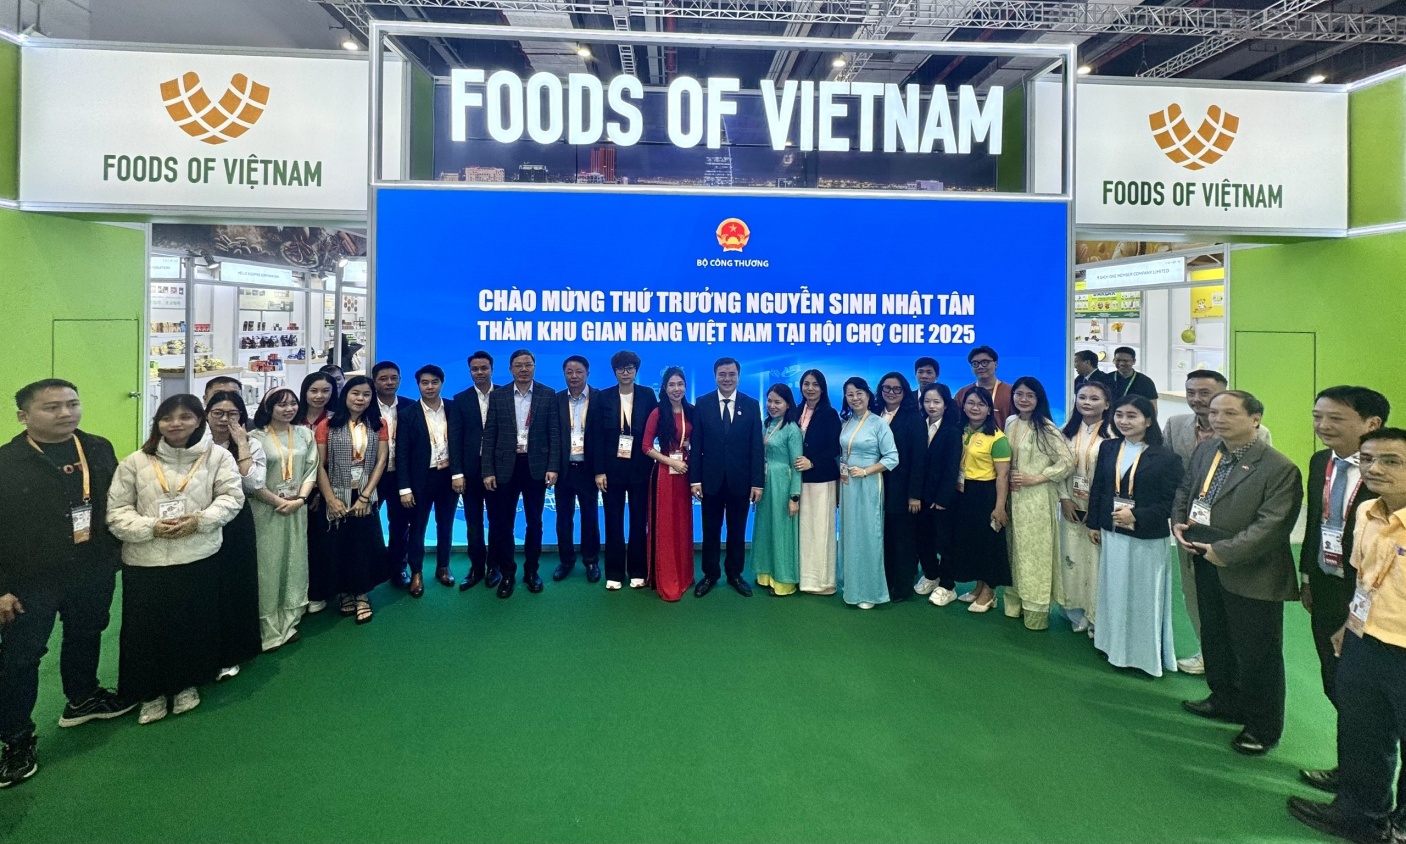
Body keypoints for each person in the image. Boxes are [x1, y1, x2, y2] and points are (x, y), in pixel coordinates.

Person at [0, 380, 131, 788]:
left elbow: (115, 500)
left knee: (86, 633)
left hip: (91, 568)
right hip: (28, 580)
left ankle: (83, 698)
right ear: (23, 416)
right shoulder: (6, 462)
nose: (66, 413)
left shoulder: (97, 447)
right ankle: (16, 738)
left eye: (72, 404)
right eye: (52, 407)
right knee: (21, 658)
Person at [1286, 428, 1406, 844]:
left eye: (1391, 461)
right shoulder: (1368, 512)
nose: (1375, 468)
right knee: (1363, 733)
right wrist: (1348, 626)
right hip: (1363, 641)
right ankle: (1360, 815)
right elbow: (1365, 579)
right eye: (1368, 459)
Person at [1172, 390, 1303, 756]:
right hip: (1203, 555)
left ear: (1255, 419)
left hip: (1250, 570)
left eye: (1230, 413)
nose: (1218, 419)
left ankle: (1262, 727)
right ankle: (1224, 699)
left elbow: (1272, 525)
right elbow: (1186, 490)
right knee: (1216, 636)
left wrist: (1225, 552)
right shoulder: (1207, 451)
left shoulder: (1279, 467)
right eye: (1214, 412)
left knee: (1257, 652)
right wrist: (1179, 522)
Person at [107, 394, 244, 725]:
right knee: (144, 629)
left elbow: (231, 497)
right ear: (158, 423)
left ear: (198, 421)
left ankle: (186, 684)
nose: (176, 424)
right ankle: (150, 692)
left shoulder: (218, 457)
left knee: (192, 624)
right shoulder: (135, 462)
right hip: (145, 560)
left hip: (198, 555)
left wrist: (200, 521)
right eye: (167, 418)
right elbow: (117, 511)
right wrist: (150, 528)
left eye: (185, 417)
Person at [1297, 386, 1390, 793]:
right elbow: (1316, 523)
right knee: (1336, 682)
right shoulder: (1321, 461)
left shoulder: (1388, 475)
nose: (1323, 425)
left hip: (1372, 597)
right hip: (1327, 585)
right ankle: (1351, 769)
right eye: (1318, 416)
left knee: (1370, 695)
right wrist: (1307, 576)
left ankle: (1368, 783)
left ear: (1372, 424)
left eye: (1336, 418)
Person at [1164, 369, 1273, 675]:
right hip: (1189, 526)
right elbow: (1172, 476)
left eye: (1205, 393)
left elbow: (1258, 483)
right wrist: (1176, 518)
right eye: (1191, 393)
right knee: (1194, 591)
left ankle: (1234, 659)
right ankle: (1208, 651)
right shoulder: (1175, 425)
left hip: (1230, 529)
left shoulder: (1257, 434)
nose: (1197, 399)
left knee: (1232, 594)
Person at [1087, 395, 1183, 676]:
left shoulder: (1167, 458)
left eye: (1132, 416)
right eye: (1119, 415)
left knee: (1143, 597)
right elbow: (1099, 488)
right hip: (1112, 532)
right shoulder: (1109, 447)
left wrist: (1137, 515)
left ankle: (1143, 657)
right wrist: (1094, 523)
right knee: (1114, 590)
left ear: (1148, 420)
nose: (1124, 421)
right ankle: (1112, 645)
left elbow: (1171, 502)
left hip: (1146, 538)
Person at [482, 349, 560, 599]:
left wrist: (553, 466)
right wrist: (488, 470)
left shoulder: (548, 394)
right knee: (504, 523)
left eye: (528, 364)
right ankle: (508, 573)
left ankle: (531, 571)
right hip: (505, 467)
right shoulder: (499, 395)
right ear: (510, 369)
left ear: (534, 367)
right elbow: (490, 434)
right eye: (518, 365)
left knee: (534, 522)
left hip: (536, 467)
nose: (524, 369)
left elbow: (554, 434)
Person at [248, 387, 319, 652]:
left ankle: (289, 622)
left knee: (294, 562)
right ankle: (267, 629)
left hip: (296, 509)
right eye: (281, 404)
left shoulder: (304, 434)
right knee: (267, 566)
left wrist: (300, 499)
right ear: (268, 408)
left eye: (292, 404)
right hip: (266, 510)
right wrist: (279, 502)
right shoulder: (254, 438)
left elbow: (311, 470)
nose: (288, 409)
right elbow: (251, 481)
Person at [315, 376, 390, 624]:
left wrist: (366, 496)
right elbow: (319, 465)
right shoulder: (327, 425)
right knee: (338, 546)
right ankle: (344, 592)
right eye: (355, 393)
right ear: (345, 395)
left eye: (366, 395)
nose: (360, 399)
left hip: (365, 495)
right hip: (336, 495)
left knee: (363, 546)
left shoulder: (378, 424)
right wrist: (330, 499)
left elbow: (381, 461)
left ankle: (361, 595)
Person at [689, 357, 765, 598]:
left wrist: (757, 482)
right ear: (715, 376)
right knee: (710, 530)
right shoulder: (702, 403)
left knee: (737, 530)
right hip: (710, 481)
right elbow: (697, 445)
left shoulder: (751, 405)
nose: (727, 378)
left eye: (732, 374)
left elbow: (756, 447)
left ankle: (735, 574)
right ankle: (710, 574)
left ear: (738, 376)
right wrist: (695, 479)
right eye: (722, 374)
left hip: (740, 481)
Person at [1004, 377, 1075, 631]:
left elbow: (1067, 462)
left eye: (1029, 395)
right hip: (1012, 498)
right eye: (1019, 394)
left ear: (1038, 399)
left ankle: (1035, 612)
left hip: (1037, 500)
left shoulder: (1046, 428)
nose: (1023, 399)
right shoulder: (1010, 422)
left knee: (1035, 554)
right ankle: (1014, 603)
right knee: (1013, 550)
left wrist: (1037, 477)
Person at [203, 391, 264, 681]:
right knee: (205, 586)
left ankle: (234, 652)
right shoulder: (194, 442)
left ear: (242, 417)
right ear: (206, 415)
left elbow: (252, 483)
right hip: (201, 518)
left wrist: (241, 444)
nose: (224, 419)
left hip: (236, 520)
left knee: (236, 584)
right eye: (218, 413)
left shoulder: (251, 443)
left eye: (232, 414)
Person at [593, 351, 657, 590]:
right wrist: (599, 471)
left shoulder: (648, 395)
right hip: (612, 470)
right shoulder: (603, 397)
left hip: (641, 468)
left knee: (639, 521)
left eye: (630, 368)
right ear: (614, 372)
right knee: (613, 521)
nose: (626, 372)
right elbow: (597, 437)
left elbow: (659, 426)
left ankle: (638, 571)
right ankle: (614, 573)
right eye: (621, 368)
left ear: (636, 370)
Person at [394, 365, 459, 597]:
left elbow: (459, 444)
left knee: (446, 524)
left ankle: (443, 567)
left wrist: (459, 474)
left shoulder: (453, 408)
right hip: (420, 480)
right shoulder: (407, 414)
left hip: (448, 477)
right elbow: (402, 454)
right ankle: (417, 572)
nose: (429, 387)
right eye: (424, 382)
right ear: (418, 385)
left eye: (434, 382)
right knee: (418, 527)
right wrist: (404, 488)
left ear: (442, 383)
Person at [1058, 380, 1115, 635]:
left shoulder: (1114, 434)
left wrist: (1099, 508)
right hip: (1071, 505)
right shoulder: (1065, 432)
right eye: (1082, 397)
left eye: (1094, 398)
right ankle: (1075, 611)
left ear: (1107, 404)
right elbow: (1058, 469)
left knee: (1097, 562)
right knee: (1071, 557)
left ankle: (1096, 615)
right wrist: (1064, 498)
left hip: (1100, 508)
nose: (1087, 403)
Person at [837, 377, 899, 609]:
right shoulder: (847, 421)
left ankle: (870, 592)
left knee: (868, 535)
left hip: (868, 484)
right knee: (850, 534)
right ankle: (852, 585)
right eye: (850, 394)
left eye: (859, 393)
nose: (855, 398)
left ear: (868, 395)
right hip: (848, 485)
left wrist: (866, 471)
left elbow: (892, 457)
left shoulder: (878, 423)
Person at [952, 387, 1012, 613]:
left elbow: (1003, 476)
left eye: (981, 404)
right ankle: (979, 586)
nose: (975, 408)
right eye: (971, 403)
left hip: (986, 493)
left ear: (989, 409)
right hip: (964, 492)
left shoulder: (997, 438)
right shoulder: (961, 431)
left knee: (989, 543)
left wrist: (999, 507)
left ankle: (990, 591)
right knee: (973, 542)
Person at [448, 351, 500, 591]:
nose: (480, 372)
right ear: (470, 372)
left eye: (484, 368)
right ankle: (476, 567)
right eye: (475, 369)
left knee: (498, 521)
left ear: (492, 369)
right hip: (470, 472)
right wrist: (457, 473)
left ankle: (494, 566)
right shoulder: (461, 399)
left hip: (499, 471)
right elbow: (455, 438)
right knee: (473, 523)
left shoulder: (505, 394)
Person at [643, 367, 695, 602]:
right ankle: (666, 578)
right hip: (665, 474)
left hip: (685, 474)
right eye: (672, 385)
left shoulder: (691, 411)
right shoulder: (657, 412)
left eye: (680, 384)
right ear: (664, 388)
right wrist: (670, 461)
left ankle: (684, 575)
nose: (677, 389)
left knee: (682, 525)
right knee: (665, 526)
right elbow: (646, 447)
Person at [874, 372, 927, 602]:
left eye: (897, 389)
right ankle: (884, 581)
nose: (891, 393)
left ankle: (903, 587)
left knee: (902, 540)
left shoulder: (914, 418)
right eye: (887, 388)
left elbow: (919, 459)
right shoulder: (874, 413)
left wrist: (914, 495)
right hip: (876, 485)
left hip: (902, 489)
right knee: (883, 536)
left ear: (905, 392)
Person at [914, 382, 964, 606]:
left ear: (946, 404)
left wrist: (942, 498)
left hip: (942, 498)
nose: (931, 406)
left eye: (936, 401)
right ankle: (931, 575)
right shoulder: (918, 425)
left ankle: (947, 585)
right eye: (927, 401)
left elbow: (952, 468)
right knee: (922, 538)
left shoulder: (953, 431)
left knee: (945, 543)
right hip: (920, 496)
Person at [552, 355, 601, 584]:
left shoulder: (599, 398)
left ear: (587, 373)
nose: (574, 376)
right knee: (563, 518)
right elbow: (552, 436)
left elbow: (604, 438)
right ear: (564, 374)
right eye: (569, 372)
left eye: (579, 372)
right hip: (564, 469)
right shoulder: (556, 399)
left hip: (588, 469)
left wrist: (600, 469)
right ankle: (566, 560)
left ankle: (591, 561)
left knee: (590, 517)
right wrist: (552, 467)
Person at [794, 369, 842, 596]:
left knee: (820, 530)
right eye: (806, 384)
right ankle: (802, 578)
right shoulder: (795, 411)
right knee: (803, 531)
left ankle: (822, 582)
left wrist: (812, 462)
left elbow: (834, 448)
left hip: (822, 480)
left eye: (815, 384)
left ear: (822, 388)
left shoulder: (830, 414)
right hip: (798, 480)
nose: (810, 388)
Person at [752, 384, 803, 596]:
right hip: (765, 485)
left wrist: (794, 497)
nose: (772, 406)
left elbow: (797, 466)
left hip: (783, 485)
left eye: (778, 402)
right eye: (770, 401)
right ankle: (765, 575)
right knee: (765, 529)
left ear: (788, 404)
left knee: (782, 532)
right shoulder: (767, 424)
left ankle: (784, 582)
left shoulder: (792, 430)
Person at [295, 371, 337, 613]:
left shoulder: (336, 419)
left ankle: (317, 592)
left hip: (324, 490)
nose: (319, 396)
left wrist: (322, 493)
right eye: (314, 390)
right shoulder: (292, 416)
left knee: (319, 543)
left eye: (325, 391)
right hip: (290, 490)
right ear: (305, 392)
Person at [372, 361, 415, 590]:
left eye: (393, 378)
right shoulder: (366, 406)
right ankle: (369, 569)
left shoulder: (410, 406)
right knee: (368, 524)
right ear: (374, 381)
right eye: (383, 378)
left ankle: (398, 568)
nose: (389, 382)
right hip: (371, 477)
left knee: (400, 524)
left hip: (401, 476)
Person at [955, 346, 1015, 431]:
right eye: (975, 364)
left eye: (985, 362)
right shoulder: (963, 393)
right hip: (967, 438)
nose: (980, 367)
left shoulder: (1011, 392)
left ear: (996, 364)